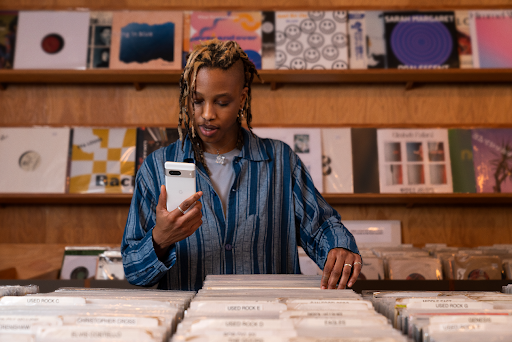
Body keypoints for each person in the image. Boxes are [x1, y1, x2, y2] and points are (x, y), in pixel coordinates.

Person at [121, 39, 362, 291]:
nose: (207, 114)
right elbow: (134, 271)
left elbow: (320, 227)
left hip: (269, 322)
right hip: (191, 328)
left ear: (242, 98)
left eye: (222, 102)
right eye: (197, 100)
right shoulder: (155, 168)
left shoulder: (280, 160)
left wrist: (339, 247)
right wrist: (160, 239)